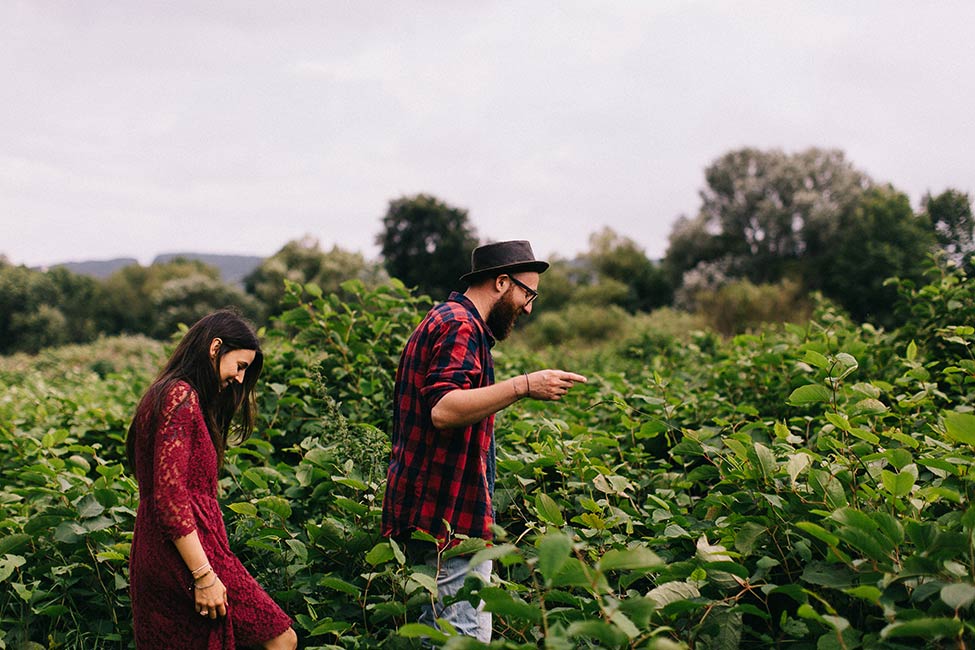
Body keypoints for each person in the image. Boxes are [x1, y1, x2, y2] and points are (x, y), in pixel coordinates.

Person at [381, 240, 587, 642]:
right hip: (448, 515)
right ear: (501, 282)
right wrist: (525, 384)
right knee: (463, 635)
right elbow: (444, 408)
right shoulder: (460, 325)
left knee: (436, 633)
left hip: (433, 508)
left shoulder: (447, 319)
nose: (529, 307)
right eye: (527, 293)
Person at [127, 309, 297, 650]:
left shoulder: (166, 394)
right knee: (281, 638)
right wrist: (204, 575)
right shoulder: (180, 396)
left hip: (163, 547)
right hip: (186, 551)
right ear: (215, 347)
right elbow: (171, 497)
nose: (239, 378)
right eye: (241, 366)